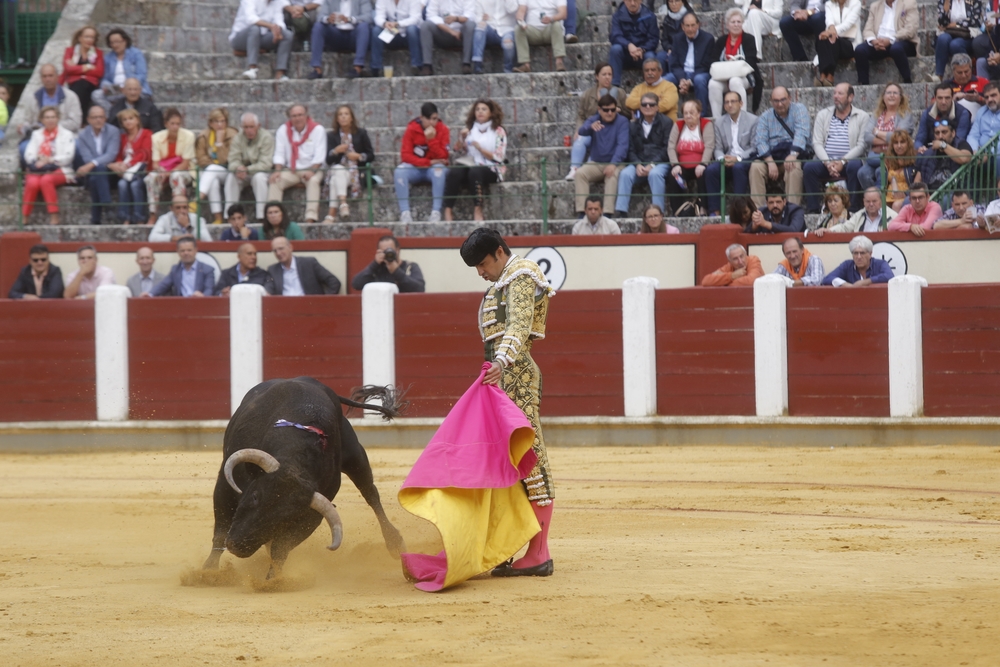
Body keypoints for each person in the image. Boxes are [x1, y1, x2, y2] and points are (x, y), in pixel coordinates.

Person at [459, 227, 556, 577]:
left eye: (483, 263)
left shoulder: (522, 273)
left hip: (514, 375)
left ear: (500, 252)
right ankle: (503, 545)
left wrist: (500, 363)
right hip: (499, 377)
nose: (481, 272)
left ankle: (539, 553)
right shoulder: (501, 283)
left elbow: (517, 326)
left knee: (530, 458)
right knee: (502, 462)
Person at [803, 83, 869, 213]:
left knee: (855, 166)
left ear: (850, 97)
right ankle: (813, 210)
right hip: (826, 161)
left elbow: (861, 146)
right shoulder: (823, 115)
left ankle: (852, 209)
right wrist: (828, 163)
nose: (836, 97)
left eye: (840, 94)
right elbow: (817, 143)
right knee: (808, 167)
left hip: (849, 161)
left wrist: (842, 161)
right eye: (834, 93)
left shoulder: (862, 116)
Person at [443, 99, 507, 222]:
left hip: (491, 167)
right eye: (477, 109)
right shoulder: (470, 130)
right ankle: (448, 209)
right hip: (471, 163)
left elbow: (499, 156)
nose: (480, 112)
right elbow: (458, 150)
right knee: (455, 172)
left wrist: (481, 149)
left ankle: (478, 209)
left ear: (491, 113)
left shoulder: (499, 131)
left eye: (484, 109)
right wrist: (462, 138)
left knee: (475, 172)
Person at [564, 62, 628, 180]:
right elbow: (581, 115)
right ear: (597, 76)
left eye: (610, 74)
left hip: (610, 132)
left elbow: (628, 114)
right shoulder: (588, 94)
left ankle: (589, 171)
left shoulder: (619, 93)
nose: (607, 77)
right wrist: (579, 129)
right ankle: (574, 169)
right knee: (579, 141)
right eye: (604, 74)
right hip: (592, 129)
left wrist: (618, 111)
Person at [749, 86, 810, 207]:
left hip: (792, 155)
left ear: (790, 98)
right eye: (776, 101)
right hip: (772, 157)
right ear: (771, 101)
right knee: (756, 167)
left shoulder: (799, 110)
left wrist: (793, 155)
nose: (780, 104)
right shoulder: (765, 117)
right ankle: (758, 211)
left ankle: (792, 210)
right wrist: (770, 161)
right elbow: (760, 141)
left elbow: (801, 134)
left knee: (794, 166)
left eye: (783, 100)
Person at [268, 104, 327, 224]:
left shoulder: (317, 130)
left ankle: (310, 218)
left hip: (313, 167)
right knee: (275, 181)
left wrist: (312, 170)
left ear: (306, 116)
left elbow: (320, 155)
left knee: (313, 181)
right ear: (290, 117)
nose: (297, 118)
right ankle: (273, 217)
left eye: (300, 115)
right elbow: (279, 154)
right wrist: (277, 170)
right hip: (292, 169)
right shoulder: (283, 130)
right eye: (294, 116)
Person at [615, 92, 671, 216]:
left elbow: (667, 148)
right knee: (624, 174)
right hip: (639, 162)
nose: (648, 107)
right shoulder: (633, 125)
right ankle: (621, 212)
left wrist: (652, 164)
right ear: (640, 107)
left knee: (655, 175)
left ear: (657, 107)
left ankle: (658, 212)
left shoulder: (667, 123)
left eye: (651, 104)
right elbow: (630, 149)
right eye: (644, 104)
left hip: (659, 163)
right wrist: (637, 164)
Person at [574, 94, 630, 216]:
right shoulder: (594, 119)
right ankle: (583, 213)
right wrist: (590, 127)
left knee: (612, 176)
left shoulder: (622, 121)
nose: (609, 113)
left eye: (612, 110)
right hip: (597, 162)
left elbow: (623, 146)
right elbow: (581, 131)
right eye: (606, 110)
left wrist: (613, 164)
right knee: (580, 174)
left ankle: (607, 214)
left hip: (617, 163)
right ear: (599, 110)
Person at [395, 102, 451, 223]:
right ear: (421, 118)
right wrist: (429, 162)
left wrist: (431, 140)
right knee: (399, 171)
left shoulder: (443, 129)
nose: (432, 123)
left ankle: (436, 212)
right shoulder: (411, 129)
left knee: (439, 171)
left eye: (435, 119)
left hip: (433, 169)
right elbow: (405, 156)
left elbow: (443, 156)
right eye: (429, 119)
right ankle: (405, 213)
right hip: (416, 168)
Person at [22, 107, 77, 226]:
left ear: (58, 118)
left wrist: (50, 160)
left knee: (46, 180)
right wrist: (38, 158)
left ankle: (54, 216)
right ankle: (24, 216)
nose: (50, 120)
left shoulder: (67, 134)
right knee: (32, 183)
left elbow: (68, 156)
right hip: (39, 167)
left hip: (60, 168)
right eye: (47, 117)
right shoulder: (36, 134)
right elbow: (29, 154)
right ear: (42, 119)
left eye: (53, 117)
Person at [705, 90, 757, 215]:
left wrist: (738, 158)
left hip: (744, 158)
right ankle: (715, 211)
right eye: (727, 102)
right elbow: (717, 148)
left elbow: (755, 147)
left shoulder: (753, 120)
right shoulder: (719, 122)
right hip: (726, 159)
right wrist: (722, 159)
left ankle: (738, 210)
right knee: (711, 170)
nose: (730, 105)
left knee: (738, 168)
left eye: (733, 101)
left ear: (741, 103)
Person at [857, 82, 914, 191]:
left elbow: (900, 137)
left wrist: (878, 133)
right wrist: (888, 140)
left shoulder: (905, 115)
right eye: (888, 93)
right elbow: (867, 137)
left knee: (880, 171)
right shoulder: (877, 114)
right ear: (883, 97)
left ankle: (881, 203)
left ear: (901, 98)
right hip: (874, 156)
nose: (891, 95)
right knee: (862, 173)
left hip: (894, 158)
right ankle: (873, 200)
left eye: (895, 93)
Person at [144, 107, 196, 225]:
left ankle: (181, 211)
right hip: (164, 169)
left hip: (183, 170)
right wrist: (161, 170)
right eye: (172, 124)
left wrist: (168, 173)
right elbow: (156, 163)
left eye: (178, 124)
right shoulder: (156, 137)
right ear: (166, 124)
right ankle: (153, 214)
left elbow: (185, 163)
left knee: (176, 176)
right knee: (151, 177)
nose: (175, 127)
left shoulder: (189, 136)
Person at [707, 9, 762, 118]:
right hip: (722, 77)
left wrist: (730, 67)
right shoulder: (721, 41)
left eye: (739, 22)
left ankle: (742, 117)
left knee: (735, 81)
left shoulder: (749, 39)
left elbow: (751, 61)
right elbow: (712, 60)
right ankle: (717, 120)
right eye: (733, 22)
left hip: (744, 77)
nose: (736, 25)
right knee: (713, 84)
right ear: (727, 25)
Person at [324, 104, 374, 222]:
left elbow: (371, 155)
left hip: (356, 172)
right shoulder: (331, 136)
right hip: (340, 170)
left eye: (346, 114)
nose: (343, 117)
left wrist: (359, 156)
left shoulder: (361, 133)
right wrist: (336, 151)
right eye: (340, 115)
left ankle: (331, 215)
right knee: (337, 169)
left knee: (334, 180)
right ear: (337, 119)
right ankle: (343, 204)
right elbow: (328, 160)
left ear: (351, 118)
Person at [74, 105, 121, 225]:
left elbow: (111, 154)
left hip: (110, 173)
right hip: (93, 172)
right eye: (94, 117)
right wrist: (98, 164)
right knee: (96, 174)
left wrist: (92, 164)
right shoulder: (83, 135)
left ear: (105, 118)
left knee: (96, 176)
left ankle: (96, 217)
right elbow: (86, 157)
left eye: (101, 117)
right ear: (88, 119)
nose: (98, 120)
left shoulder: (113, 131)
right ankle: (107, 205)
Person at [666, 98, 714, 215]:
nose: (688, 116)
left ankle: (703, 209)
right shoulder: (678, 125)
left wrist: (703, 164)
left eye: (691, 113)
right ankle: (677, 211)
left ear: (699, 114)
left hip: (700, 164)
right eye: (685, 113)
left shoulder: (706, 124)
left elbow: (709, 146)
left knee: (705, 174)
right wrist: (675, 165)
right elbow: (671, 147)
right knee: (673, 177)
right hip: (682, 166)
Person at [855, 0, 919, 85]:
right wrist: (874, 41)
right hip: (879, 43)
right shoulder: (875, 6)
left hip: (901, 40)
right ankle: (864, 83)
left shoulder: (908, 3)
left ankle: (907, 80)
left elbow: (910, 30)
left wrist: (890, 40)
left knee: (896, 49)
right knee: (860, 50)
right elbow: (868, 30)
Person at [226, 112, 275, 222]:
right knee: (231, 177)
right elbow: (232, 160)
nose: (249, 130)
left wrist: (247, 169)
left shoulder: (266, 137)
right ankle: (230, 215)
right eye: (246, 127)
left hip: (260, 172)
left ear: (258, 126)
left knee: (259, 178)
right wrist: (237, 168)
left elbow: (266, 164)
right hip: (243, 172)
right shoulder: (238, 138)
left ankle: (261, 217)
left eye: (251, 127)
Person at [229, 0, 293, 81]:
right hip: (241, 38)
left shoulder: (277, 2)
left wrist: (278, 31)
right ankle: (252, 69)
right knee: (254, 28)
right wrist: (271, 26)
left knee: (287, 34)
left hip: (262, 36)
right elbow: (251, 19)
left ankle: (280, 73)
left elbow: (279, 20)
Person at [195, 108, 239, 225]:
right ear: (210, 123)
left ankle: (197, 199)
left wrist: (219, 143)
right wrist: (214, 163)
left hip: (229, 171)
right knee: (212, 180)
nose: (220, 125)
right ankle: (218, 217)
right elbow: (201, 159)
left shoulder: (232, 135)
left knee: (211, 170)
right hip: (211, 170)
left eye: (222, 121)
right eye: (216, 121)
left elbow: (227, 159)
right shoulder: (204, 136)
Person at [108, 108, 152, 224]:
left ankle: (139, 218)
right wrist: (118, 164)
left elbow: (144, 153)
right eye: (125, 120)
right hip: (126, 171)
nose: (128, 122)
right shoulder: (122, 138)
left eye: (131, 118)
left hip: (142, 170)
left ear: (137, 120)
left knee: (135, 185)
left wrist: (127, 165)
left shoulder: (146, 134)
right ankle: (125, 218)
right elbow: (118, 155)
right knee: (121, 184)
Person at [309, 0, 372, 79]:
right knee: (318, 26)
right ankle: (316, 69)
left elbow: (368, 17)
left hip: (354, 36)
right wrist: (327, 19)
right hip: (336, 35)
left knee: (364, 26)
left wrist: (350, 19)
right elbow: (320, 17)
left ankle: (358, 67)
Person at [665, 12, 713, 115]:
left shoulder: (708, 39)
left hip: (699, 72)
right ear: (682, 27)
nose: (690, 29)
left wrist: (690, 81)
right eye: (687, 26)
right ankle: (667, 116)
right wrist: (682, 79)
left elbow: (706, 65)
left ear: (698, 25)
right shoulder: (677, 39)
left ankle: (702, 115)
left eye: (693, 25)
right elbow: (674, 63)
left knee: (699, 80)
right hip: (682, 72)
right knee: (666, 80)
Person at [609, 0, 666, 87]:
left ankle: (652, 86)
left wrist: (642, 49)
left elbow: (654, 39)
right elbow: (615, 36)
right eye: (629, 0)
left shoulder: (650, 16)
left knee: (650, 57)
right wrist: (629, 45)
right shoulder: (617, 16)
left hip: (642, 54)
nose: (632, 3)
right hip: (625, 54)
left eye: (635, 0)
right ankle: (614, 85)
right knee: (615, 49)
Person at [93, 28, 151, 112]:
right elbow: (105, 78)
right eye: (112, 43)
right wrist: (106, 87)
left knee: (137, 93)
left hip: (133, 88)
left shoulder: (136, 54)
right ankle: (114, 113)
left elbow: (141, 75)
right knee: (96, 95)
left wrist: (127, 86)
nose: (114, 45)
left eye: (117, 42)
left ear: (125, 41)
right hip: (116, 91)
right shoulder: (108, 58)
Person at [17, 64, 82, 137]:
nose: (48, 79)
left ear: (57, 77)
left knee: (76, 145)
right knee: (23, 147)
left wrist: (51, 126)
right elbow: (27, 120)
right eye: (44, 76)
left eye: (50, 75)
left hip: (64, 136)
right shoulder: (33, 97)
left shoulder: (71, 96)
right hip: (39, 137)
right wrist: (23, 126)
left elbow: (75, 122)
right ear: (41, 78)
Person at [267, 236, 342, 295]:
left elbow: (334, 282)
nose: (278, 253)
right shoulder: (273, 270)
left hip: (309, 308)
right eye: (275, 251)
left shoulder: (309, 263)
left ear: (290, 248)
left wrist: (324, 302)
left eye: (281, 248)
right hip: (284, 309)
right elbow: (268, 289)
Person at [350, 234, 426, 292]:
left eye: (390, 250)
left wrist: (396, 271)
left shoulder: (410, 267)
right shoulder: (377, 269)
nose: (388, 254)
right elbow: (356, 284)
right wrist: (374, 264)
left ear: (397, 250)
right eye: (384, 251)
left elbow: (420, 289)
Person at [419, 0, 477, 75]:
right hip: (444, 33)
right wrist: (450, 31)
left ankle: (466, 64)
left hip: (462, 35)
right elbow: (431, 16)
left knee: (470, 25)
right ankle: (427, 65)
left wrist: (456, 18)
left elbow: (470, 16)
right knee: (425, 25)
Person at [814, 0, 862, 87]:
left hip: (850, 42)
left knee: (833, 40)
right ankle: (823, 75)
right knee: (821, 38)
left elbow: (848, 24)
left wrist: (832, 32)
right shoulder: (829, 4)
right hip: (832, 40)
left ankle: (830, 74)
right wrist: (831, 31)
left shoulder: (856, 3)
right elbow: (829, 20)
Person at [917, 117, 972, 194]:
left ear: (953, 133)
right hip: (929, 194)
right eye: (937, 133)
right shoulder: (929, 152)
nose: (940, 136)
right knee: (906, 201)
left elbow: (965, 158)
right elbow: (918, 179)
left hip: (955, 192)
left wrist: (942, 145)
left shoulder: (961, 144)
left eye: (944, 132)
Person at [147, 238, 218, 297]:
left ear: (195, 250)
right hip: (181, 306)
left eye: (189, 250)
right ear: (177, 252)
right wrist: (150, 294)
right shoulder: (175, 269)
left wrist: (203, 296)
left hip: (200, 305)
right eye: (182, 251)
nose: (186, 253)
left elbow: (209, 289)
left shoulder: (207, 269)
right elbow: (163, 285)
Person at [813, 186, 897, 235]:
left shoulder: (893, 216)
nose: (871, 204)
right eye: (868, 201)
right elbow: (845, 228)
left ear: (881, 201)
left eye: (874, 201)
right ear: (863, 201)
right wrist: (829, 230)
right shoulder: (859, 215)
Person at [370, 0, 424, 77]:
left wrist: (398, 24)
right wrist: (385, 23)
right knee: (376, 30)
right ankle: (376, 68)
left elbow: (415, 19)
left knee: (412, 29)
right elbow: (378, 16)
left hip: (407, 32)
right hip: (391, 32)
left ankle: (417, 65)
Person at [512, 0, 567, 73]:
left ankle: (559, 62)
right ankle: (525, 65)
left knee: (556, 25)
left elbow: (563, 14)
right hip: (533, 31)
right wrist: (520, 20)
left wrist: (551, 19)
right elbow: (521, 11)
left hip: (550, 30)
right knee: (518, 29)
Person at [914, 83, 972, 152]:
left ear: (952, 97)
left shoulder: (963, 113)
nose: (943, 102)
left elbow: (959, 141)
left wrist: (941, 145)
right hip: (931, 152)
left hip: (954, 153)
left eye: (947, 98)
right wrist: (920, 148)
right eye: (940, 98)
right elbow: (919, 139)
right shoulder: (927, 113)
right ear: (935, 98)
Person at [933, 0, 982, 81]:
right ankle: (939, 75)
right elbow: (942, 22)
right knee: (942, 38)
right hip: (949, 33)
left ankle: (967, 73)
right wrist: (946, 4)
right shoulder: (943, 1)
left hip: (967, 35)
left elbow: (974, 20)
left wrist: (957, 24)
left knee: (955, 44)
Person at [60, 25, 103, 113]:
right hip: (73, 83)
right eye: (86, 37)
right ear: (80, 38)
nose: (89, 40)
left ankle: (77, 117)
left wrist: (76, 69)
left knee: (83, 85)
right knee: (80, 86)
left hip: (90, 84)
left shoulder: (98, 53)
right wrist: (88, 67)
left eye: (92, 37)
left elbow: (99, 72)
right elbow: (68, 69)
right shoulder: (70, 51)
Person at [821, 234, 894, 285]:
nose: (858, 257)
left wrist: (866, 282)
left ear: (870, 253)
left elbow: (889, 276)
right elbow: (827, 279)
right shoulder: (847, 265)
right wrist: (844, 284)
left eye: (862, 253)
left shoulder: (880, 264)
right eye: (855, 253)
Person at [471, 0, 519, 74]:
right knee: (480, 26)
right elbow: (477, 17)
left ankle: (508, 70)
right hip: (490, 29)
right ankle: (477, 65)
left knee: (508, 43)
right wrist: (482, 19)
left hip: (507, 29)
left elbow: (513, 10)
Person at [878, 129, 920, 211]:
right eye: (896, 143)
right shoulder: (887, 161)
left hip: (907, 196)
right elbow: (880, 182)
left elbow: (917, 185)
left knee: (896, 205)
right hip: (888, 196)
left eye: (902, 142)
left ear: (908, 144)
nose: (899, 146)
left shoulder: (915, 161)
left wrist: (906, 194)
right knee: (877, 204)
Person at [967, 81, 1000, 177]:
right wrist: (975, 151)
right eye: (986, 97)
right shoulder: (982, 112)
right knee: (965, 160)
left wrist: (988, 153)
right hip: (981, 155)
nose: (990, 99)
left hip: (996, 155)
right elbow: (973, 135)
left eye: (993, 95)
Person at [148, 195, 213, 242]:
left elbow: (208, 240)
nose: (182, 211)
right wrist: (175, 238)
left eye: (185, 207)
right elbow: (152, 238)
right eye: (178, 208)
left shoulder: (198, 219)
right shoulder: (164, 219)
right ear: (171, 208)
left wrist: (188, 226)